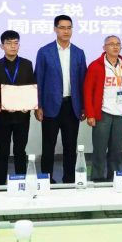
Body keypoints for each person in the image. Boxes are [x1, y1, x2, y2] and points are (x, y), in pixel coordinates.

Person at [35, 14, 87, 184]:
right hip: (50, 107)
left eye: (69, 28)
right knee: (48, 146)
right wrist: (38, 106)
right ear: (55, 29)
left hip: (72, 106)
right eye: (62, 27)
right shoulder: (44, 52)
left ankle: (69, 180)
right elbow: (39, 81)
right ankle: (46, 180)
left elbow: (83, 82)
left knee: (70, 147)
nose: (66, 31)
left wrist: (84, 107)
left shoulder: (79, 53)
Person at [83, 36, 122, 182]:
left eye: (118, 44)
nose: (115, 47)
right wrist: (90, 114)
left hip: (120, 113)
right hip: (103, 113)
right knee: (100, 150)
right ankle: (97, 178)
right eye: (111, 44)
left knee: (116, 151)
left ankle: (115, 179)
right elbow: (88, 92)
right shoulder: (95, 66)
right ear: (104, 48)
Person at [0, 30, 35, 185]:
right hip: (2, 117)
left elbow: (32, 88)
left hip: (22, 116)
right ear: (2, 46)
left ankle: (21, 183)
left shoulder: (27, 65)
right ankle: (1, 184)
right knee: (2, 151)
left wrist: (28, 105)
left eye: (16, 43)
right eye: (9, 43)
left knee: (20, 151)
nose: (13, 46)